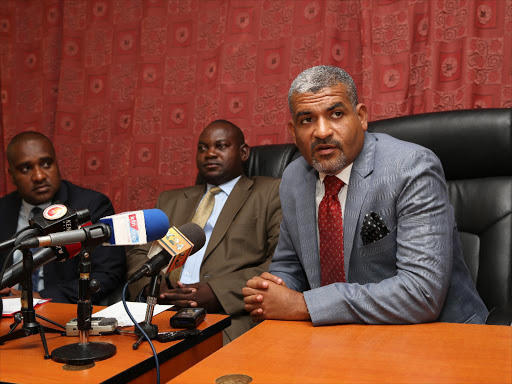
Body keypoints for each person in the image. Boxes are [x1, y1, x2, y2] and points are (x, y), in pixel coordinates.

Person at [243, 65, 488, 325]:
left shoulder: (411, 167)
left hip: (436, 335)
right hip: (335, 335)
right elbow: (290, 264)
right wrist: (273, 289)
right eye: (307, 120)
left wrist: (304, 304)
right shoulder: (294, 178)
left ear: (360, 117)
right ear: (293, 132)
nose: (322, 131)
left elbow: (422, 293)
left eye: (336, 114)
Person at [126, 120, 281, 342]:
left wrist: (217, 292)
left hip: (228, 317)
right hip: (161, 314)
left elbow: (278, 263)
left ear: (244, 152)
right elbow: (139, 253)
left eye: (221, 146)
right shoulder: (171, 200)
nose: (210, 154)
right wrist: (152, 291)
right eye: (202, 148)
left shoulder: (270, 192)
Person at [0, 131, 126, 304]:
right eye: (25, 169)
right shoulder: (3, 210)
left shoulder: (90, 205)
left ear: (57, 164)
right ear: (11, 175)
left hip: (60, 311)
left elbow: (108, 273)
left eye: (46, 164)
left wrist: (40, 297)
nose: (39, 176)